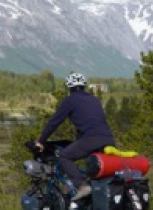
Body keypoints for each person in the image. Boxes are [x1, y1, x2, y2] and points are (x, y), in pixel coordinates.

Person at [35, 72, 115, 200]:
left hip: (91, 139)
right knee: (95, 170)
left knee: (64, 156)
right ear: (84, 86)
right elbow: (92, 122)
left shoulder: (70, 100)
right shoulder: (94, 100)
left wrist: (41, 141)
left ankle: (82, 185)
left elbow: (54, 122)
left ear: (69, 87)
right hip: (108, 139)